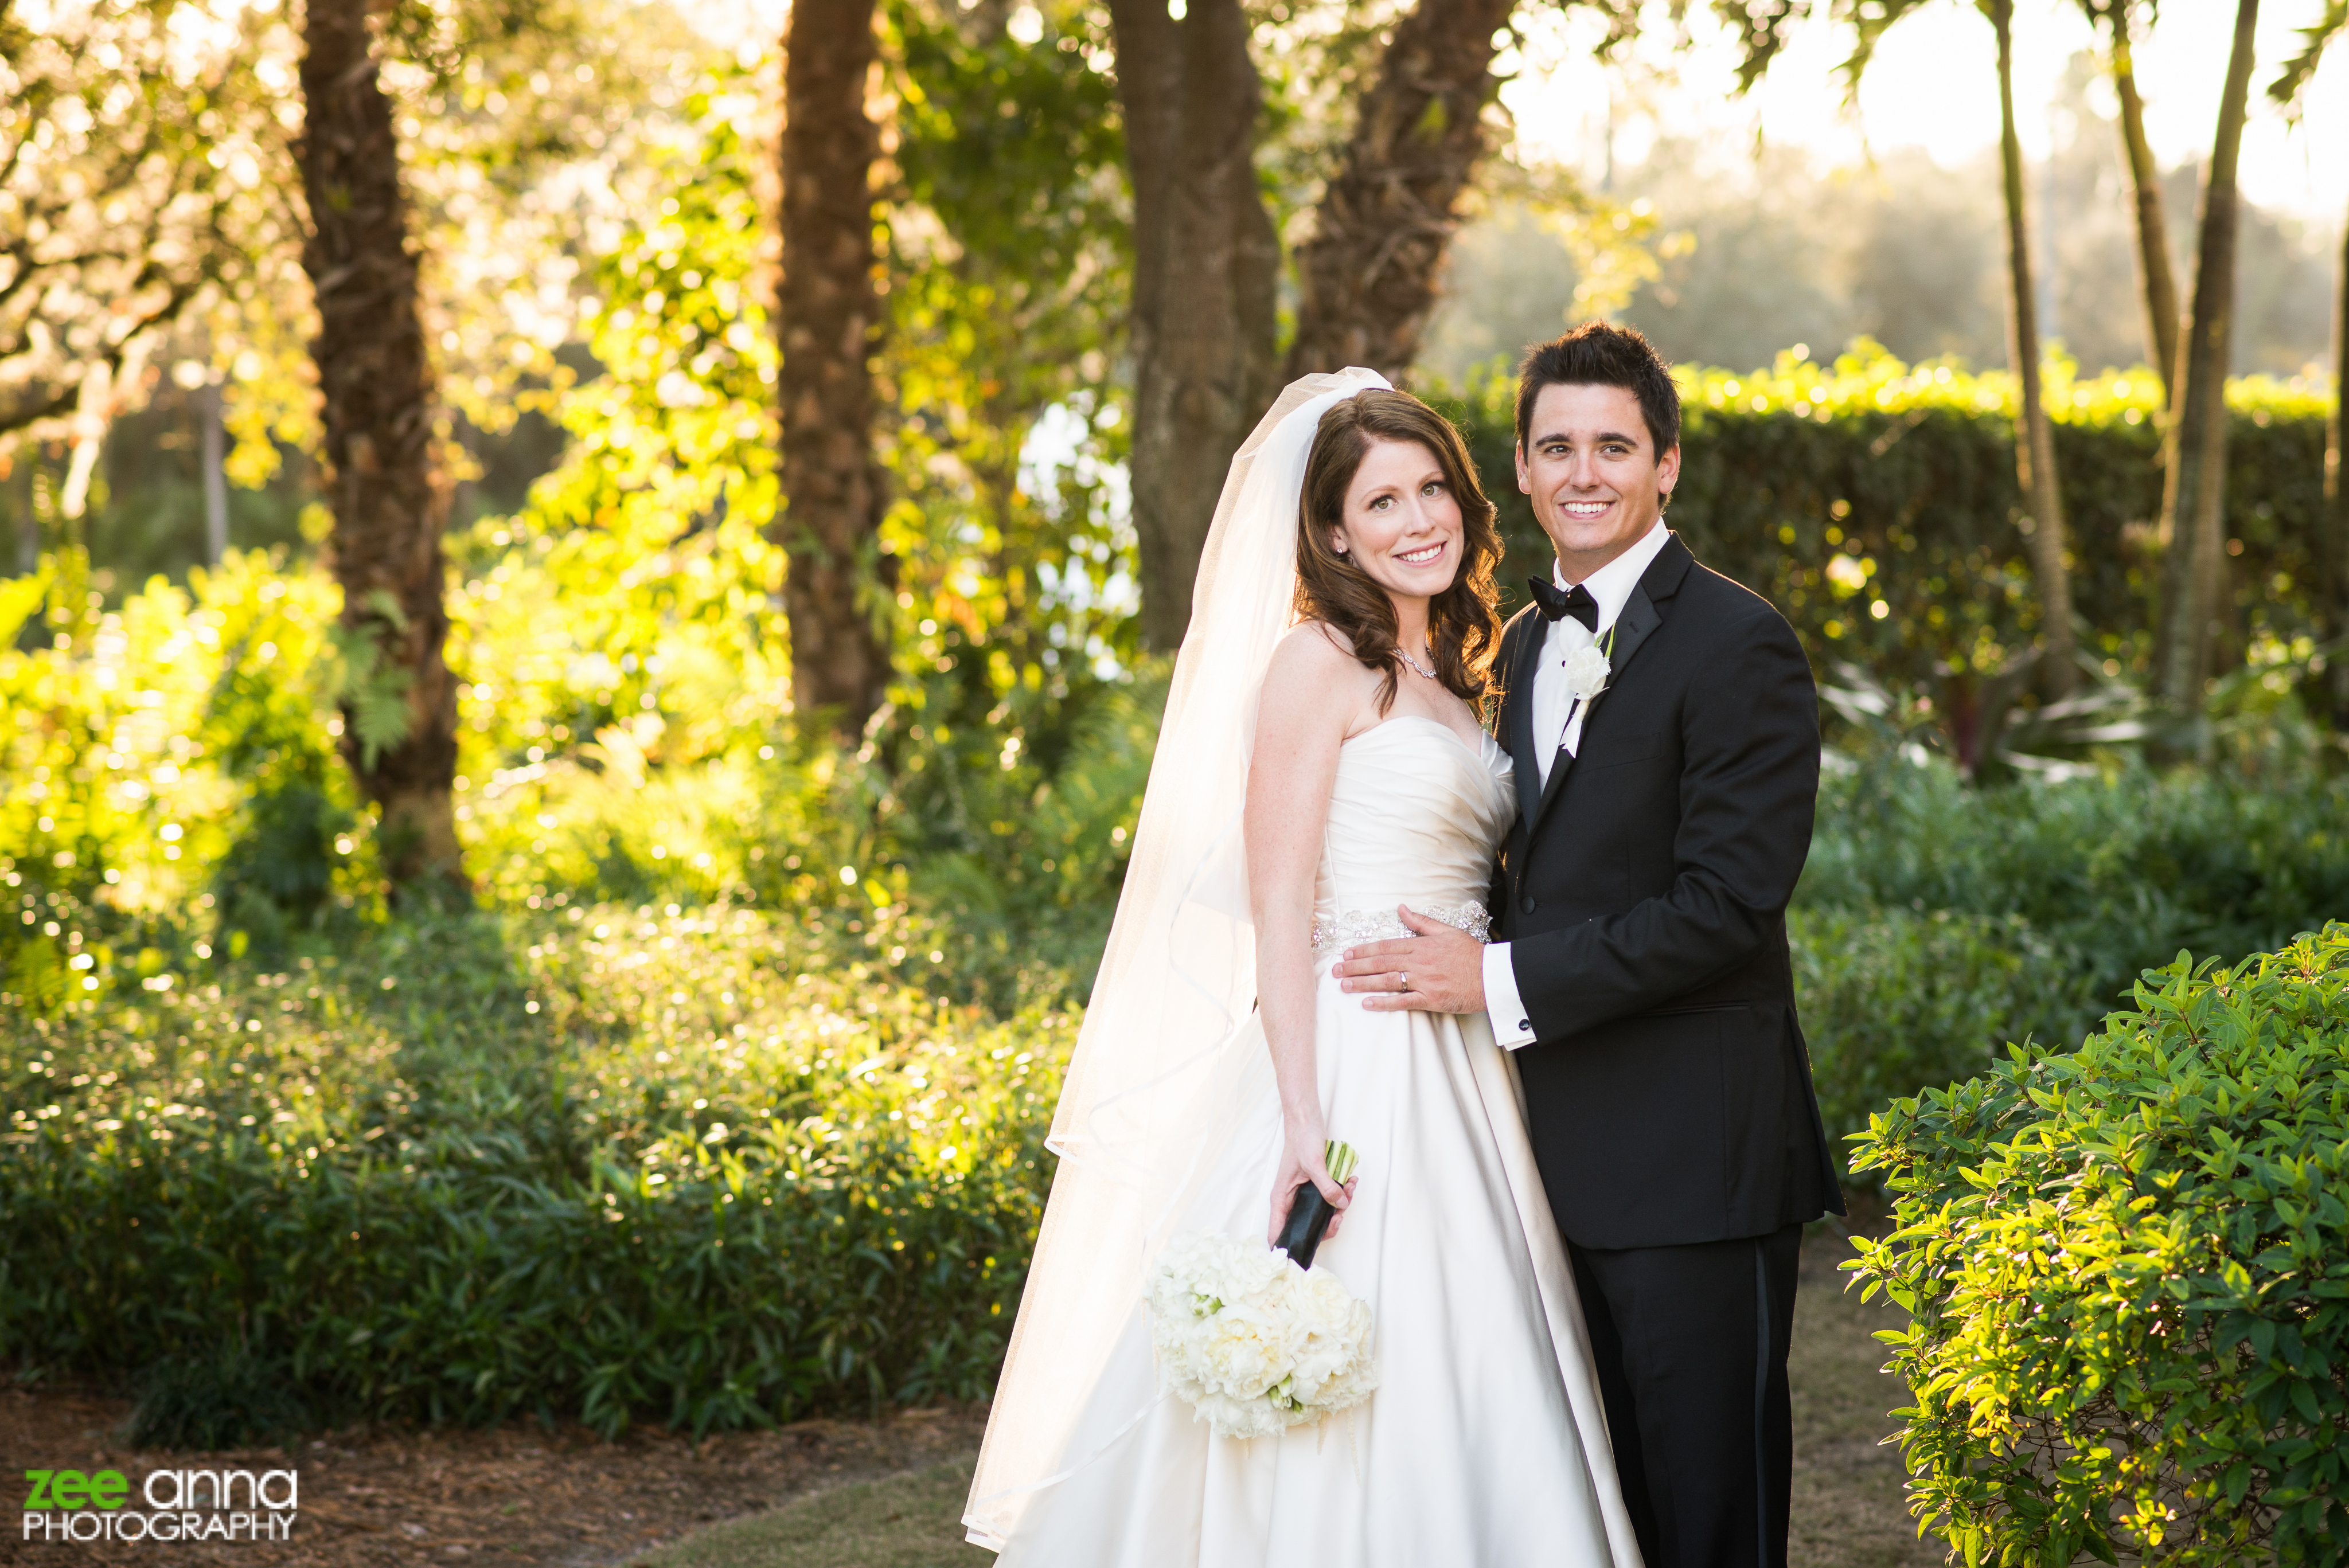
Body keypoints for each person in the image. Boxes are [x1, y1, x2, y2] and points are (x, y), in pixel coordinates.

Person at [963, 371, 1641, 1566]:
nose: (1418, 519)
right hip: (1351, 1048)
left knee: (1472, 1341)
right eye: (1381, 503)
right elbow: (1276, 901)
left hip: (1465, 1054)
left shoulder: (1451, 672)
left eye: (1432, 488)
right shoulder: (1312, 663)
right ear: (1332, 531)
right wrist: (1297, 1118)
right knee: (1346, 1326)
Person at [1334, 322, 1843, 1568]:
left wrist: (1489, 977)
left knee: (1704, 1519)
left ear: (1664, 465)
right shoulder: (1511, 645)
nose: (1583, 472)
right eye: (1554, 446)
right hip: (1535, 1160)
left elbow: (1726, 907)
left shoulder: (1739, 646)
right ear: (1516, 467)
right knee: (1593, 1520)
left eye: (1612, 445)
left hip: (1692, 1169)